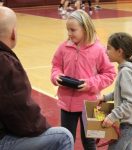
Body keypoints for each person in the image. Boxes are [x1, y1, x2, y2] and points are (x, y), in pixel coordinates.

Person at [0, 6, 74, 150]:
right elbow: (20, 111)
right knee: (63, 136)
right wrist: (42, 127)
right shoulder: (4, 62)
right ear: (13, 33)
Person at [51, 9, 116, 150]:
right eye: (67, 30)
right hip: (67, 103)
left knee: (90, 142)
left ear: (85, 28)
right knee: (67, 139)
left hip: (91, 104)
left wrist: (90, 84)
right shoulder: (63, 47)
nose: (69, 33)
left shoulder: (99, 49)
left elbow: (110, 74)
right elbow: (56, 66)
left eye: (73, 30)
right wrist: (56, 77)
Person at [99, 32, 132, 150]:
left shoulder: (126, 72)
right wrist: (106, 98)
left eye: (109, 48)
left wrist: (112, 116)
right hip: (130, 121)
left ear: (120, 51)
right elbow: (121, 92)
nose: (106, 52)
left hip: (128, 124)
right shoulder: (127, 69)